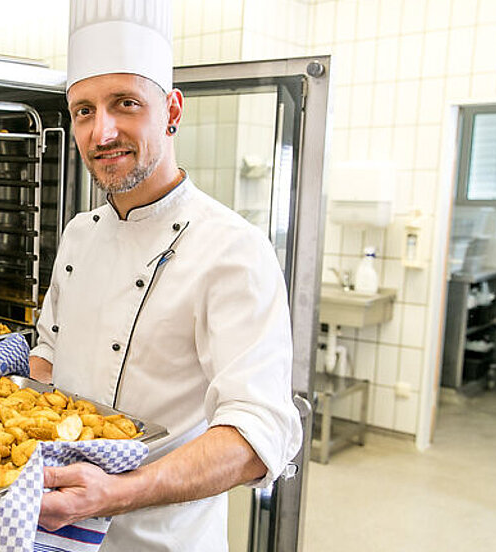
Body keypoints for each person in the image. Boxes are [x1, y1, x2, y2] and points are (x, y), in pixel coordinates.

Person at [29, 1, 303, 550]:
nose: (102, 131)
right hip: (51, 530)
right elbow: (49, 353)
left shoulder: (233, 250)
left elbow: (259, 434)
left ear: (172, 110)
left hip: (161, 539)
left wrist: (114, 494)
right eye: (83, 110)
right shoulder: (79, 234)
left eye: (125, 103)